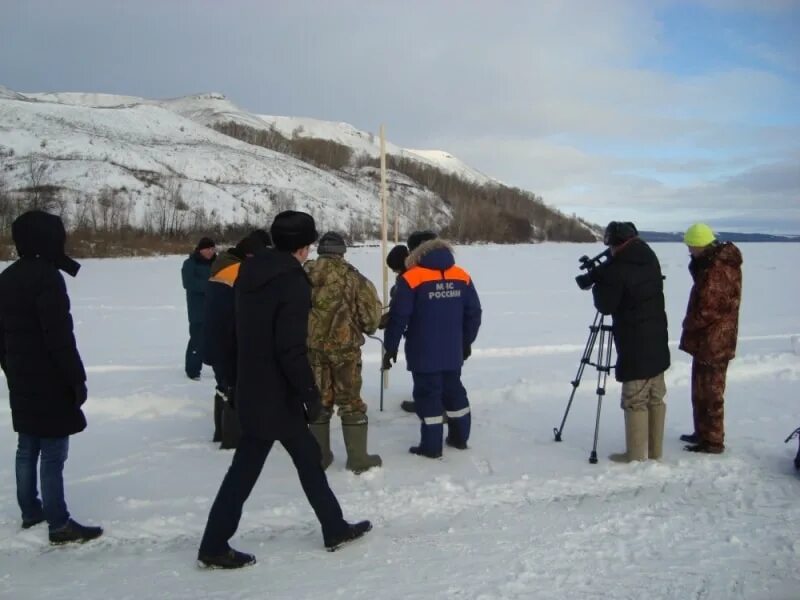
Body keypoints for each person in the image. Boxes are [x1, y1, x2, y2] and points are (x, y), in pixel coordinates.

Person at [197, 211, 371, 569]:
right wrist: (310, 394)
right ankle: (214, 544)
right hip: (278, 394)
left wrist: (232, 379)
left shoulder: (248, 271)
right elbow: (289, 348)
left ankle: (333, 527)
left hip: (254, 387)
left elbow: (232, 332)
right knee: (249, 470)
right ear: (303, 247)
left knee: (302, 458)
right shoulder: (291, 282)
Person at [0, 211, 103, 544]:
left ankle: (31, 512)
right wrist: (76, 379)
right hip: (50, 377)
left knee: (27, 445)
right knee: (53, 451)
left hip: (20, 375)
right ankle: (59, 524)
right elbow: (59, 336)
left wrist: (11, 368)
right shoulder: (47, 277)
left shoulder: (7, 277)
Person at [382, 236, 482, 458]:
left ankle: (431, 447)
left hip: (423, 351)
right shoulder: (461, 275)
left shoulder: (411, 278)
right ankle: (459, 439)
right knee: (454, 392)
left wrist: (390, 347)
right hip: (453, 351)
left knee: (428, 396)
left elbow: (399, 318)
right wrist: (465, 342)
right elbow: (474, 313)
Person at [590, 221, 671, 462]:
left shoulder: (618, 268)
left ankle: (635, 455)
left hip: (635, 341)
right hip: (657, 336)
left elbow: (605, 305)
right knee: (655, 397)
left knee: (635, 400)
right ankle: (655, 452)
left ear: (615, 244)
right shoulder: (648, 257)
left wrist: (598, 284)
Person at [305, 231, 382, 473]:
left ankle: (319, 457)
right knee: (350, 402)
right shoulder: (356, 280)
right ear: (342, 252)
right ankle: (358, 460)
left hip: (312, 350)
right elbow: (371, 320)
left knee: (318, 401)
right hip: (345, 352)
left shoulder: (301, 275)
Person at [202, 230, 271, 449]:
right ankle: (232, 440)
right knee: (233, 388)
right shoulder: (237, 272)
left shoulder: (222, 265)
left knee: (223, 386)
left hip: (216, 337)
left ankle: (221, 432)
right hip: (229, 339)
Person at [679, 223, 742, 454]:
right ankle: (702, 432)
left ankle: (713, 440)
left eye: (691, 246)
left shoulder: (719, 268)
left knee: (711, 392)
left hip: (715, 340)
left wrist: (689, 322)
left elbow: (710, 307)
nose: (689, 251)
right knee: (700, 389)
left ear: (700, 244)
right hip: (708, 340)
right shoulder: (710, 264)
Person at [182, 237, 219, 383]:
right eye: (208, 249)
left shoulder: (217, 263)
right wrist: (211, 285)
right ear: (200, 249)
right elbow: (188, 283)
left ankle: (219, 369)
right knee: (197, 340)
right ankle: (192, 370)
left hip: (216, 308)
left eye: (212, 249)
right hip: (197, 309)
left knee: (217, 340)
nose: (210, 252)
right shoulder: (190, 263)